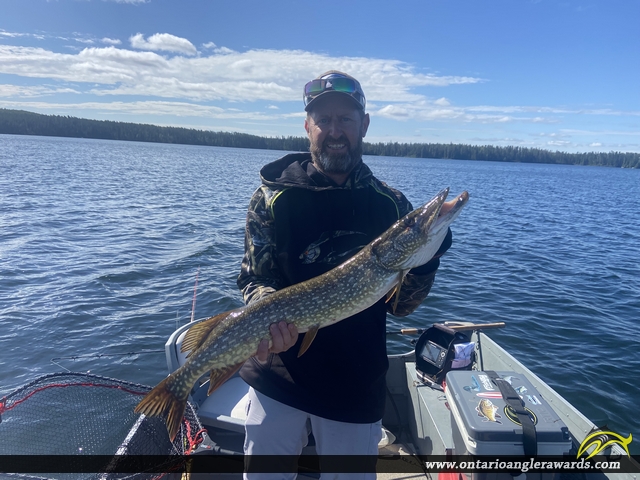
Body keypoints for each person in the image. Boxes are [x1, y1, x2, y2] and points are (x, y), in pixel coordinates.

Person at [237, 71, 452, 478]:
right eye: (324, 120)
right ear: (307, 126)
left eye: (346, 120)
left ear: (364, 125)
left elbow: (402, 307)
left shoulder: (392, 205)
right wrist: (267, 308)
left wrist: (426, 257)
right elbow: (252, 277)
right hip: (278, 376)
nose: (335, 131)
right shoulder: (272, 196)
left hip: (355, 385)